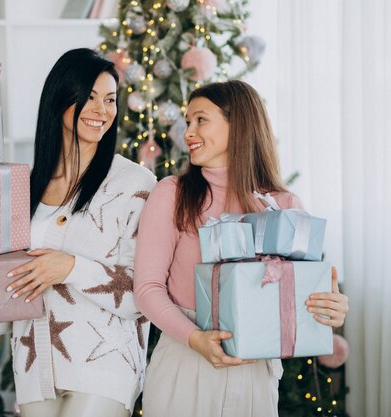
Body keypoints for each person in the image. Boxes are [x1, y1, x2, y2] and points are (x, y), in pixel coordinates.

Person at [133, 80, 349, 417]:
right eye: (187, 121)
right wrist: (195, 339)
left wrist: (329, 308)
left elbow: (299, 295)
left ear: (240, 125)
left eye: (201, 120)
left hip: (256, 371)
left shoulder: (285, 205)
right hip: (186, 361)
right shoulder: (171, 194)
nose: (188, 131)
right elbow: (147, 289)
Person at [3, 48, 156, 417]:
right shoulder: (24, 186)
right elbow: (9, 281)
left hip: (104, 368)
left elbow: (144, 295)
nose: (102, 110)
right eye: (89, 97)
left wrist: (70, 267)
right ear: (60, 98)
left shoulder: (135, 184)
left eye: (110, 100)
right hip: (32, 366)